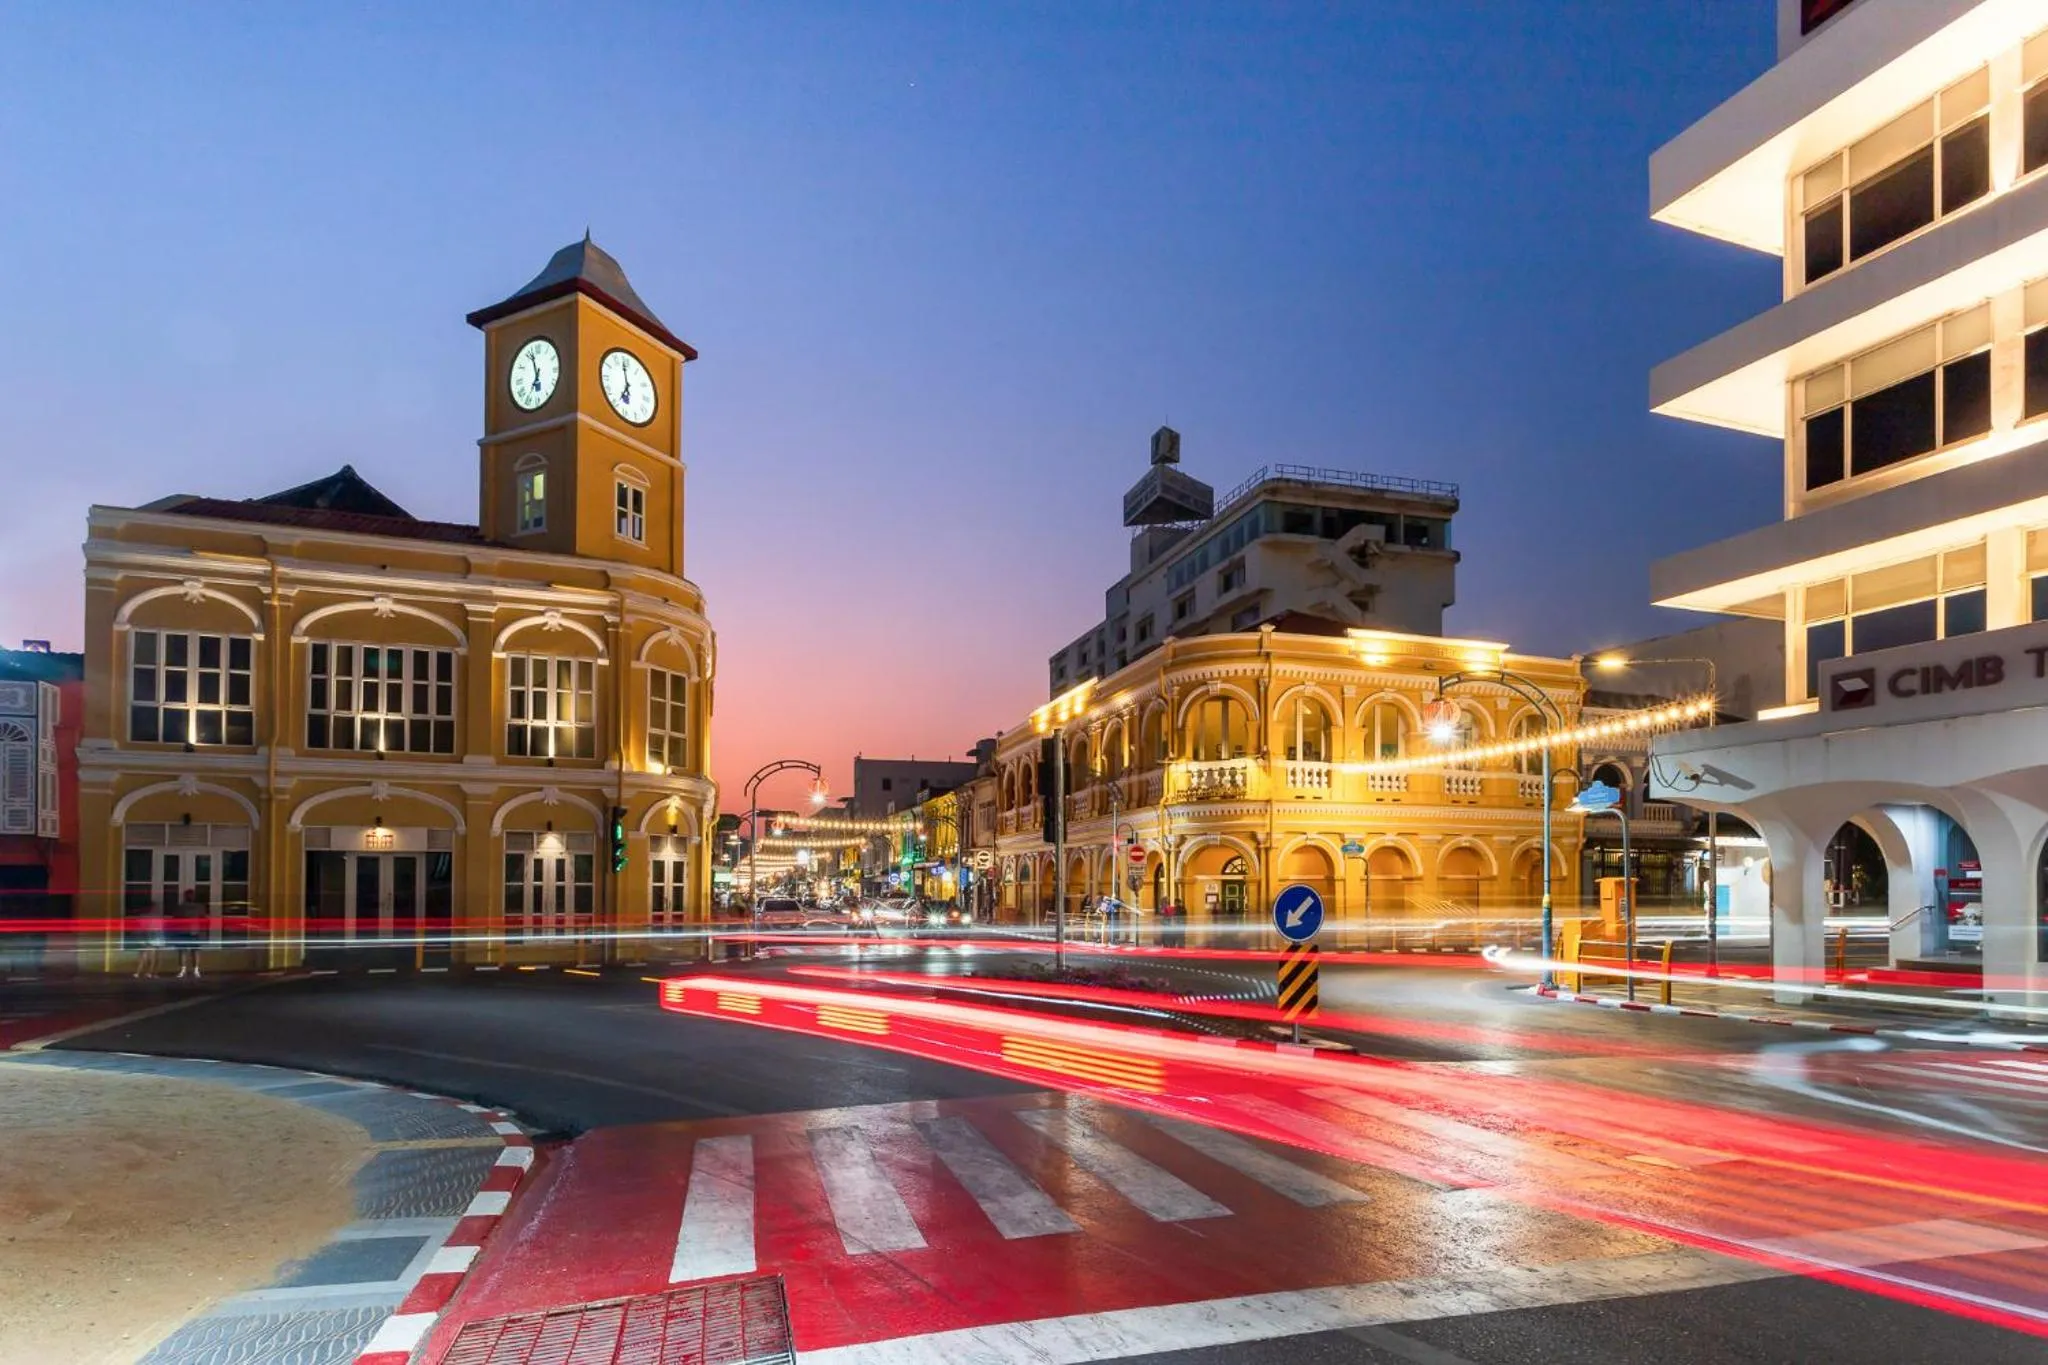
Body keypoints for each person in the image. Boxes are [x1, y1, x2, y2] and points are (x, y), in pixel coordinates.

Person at [170, 886, 204, 979]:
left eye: (192, 895)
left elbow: (203, 918)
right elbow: (175, 919)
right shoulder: (181, 907)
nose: (191, 897)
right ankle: (184, 970)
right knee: (184, 951)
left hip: (193, 931)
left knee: (193, 951)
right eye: (190, 895)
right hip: (185, 931)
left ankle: (195, 970)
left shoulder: (198, 907)